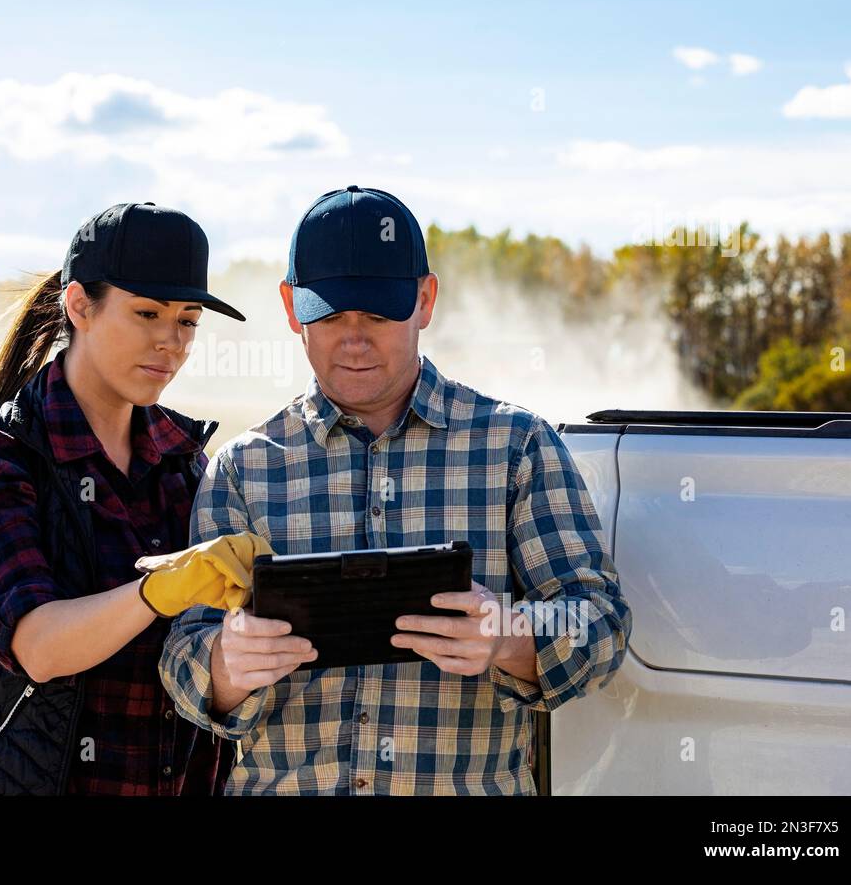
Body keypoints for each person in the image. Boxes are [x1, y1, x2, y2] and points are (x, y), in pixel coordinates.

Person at [159, 185, 633, 795]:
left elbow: (601, 622)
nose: (354, 340)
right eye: (329, 316)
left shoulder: (518, 447)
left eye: (379, 315)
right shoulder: (242, 469)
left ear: (425, 299)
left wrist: (508, 636)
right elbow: (183, 656)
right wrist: (227, 665)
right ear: (289, 306)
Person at [0, 202, 248, 795]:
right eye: (147, 313)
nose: (169, 342)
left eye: (188, 321)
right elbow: (39, 646)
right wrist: (157, 590)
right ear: (78, 306)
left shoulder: (186, 463)